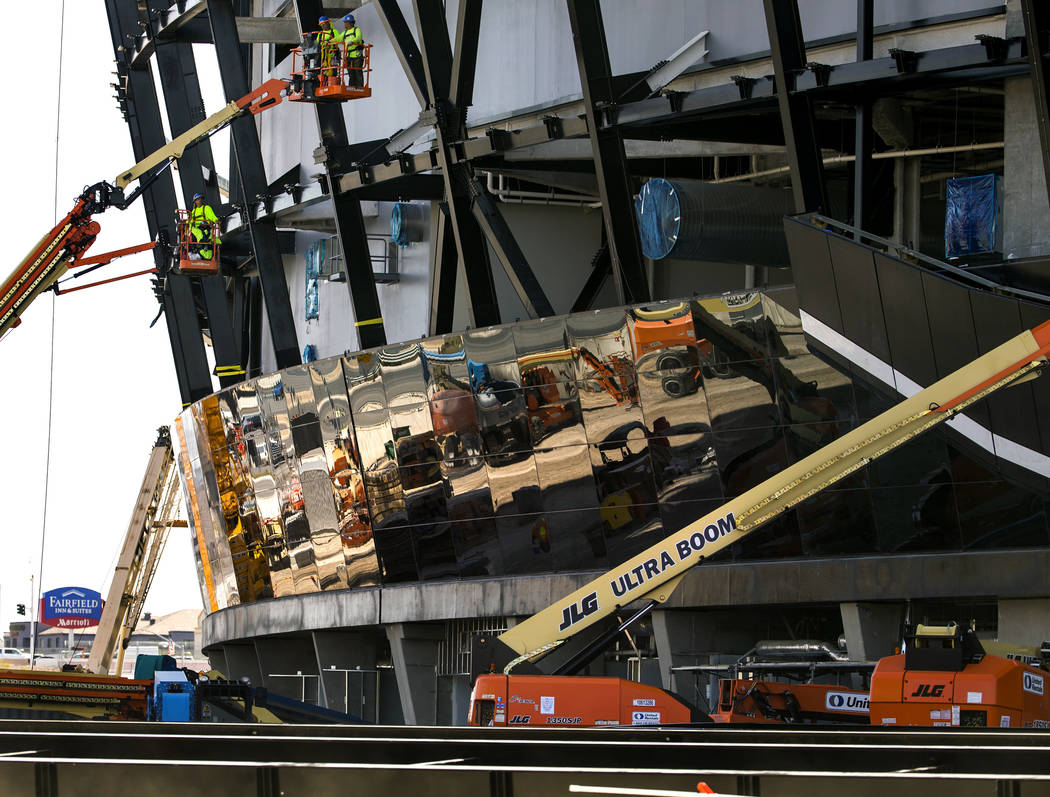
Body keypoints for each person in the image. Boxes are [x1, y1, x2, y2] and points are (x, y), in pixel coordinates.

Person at [188, 193, 219, 260]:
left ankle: (200, 255)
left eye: (200, 198)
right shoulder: (194, 211)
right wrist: (186, 223)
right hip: (196, 229)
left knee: (203, 236)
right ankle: (191, 253)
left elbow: (212, 216)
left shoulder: (207, 208)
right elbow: (190, 221)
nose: (199, 200)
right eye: (197, 199)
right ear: (195, 201)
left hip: (204, 228)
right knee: (188, 235)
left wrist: (216, 220)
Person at [317, 15, 341, 87]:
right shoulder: (320, 34)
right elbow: (317, 44)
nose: (322, 26)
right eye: (321, 25)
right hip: (324, 57)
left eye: (324, 24)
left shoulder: (334, 32)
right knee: (323, 71)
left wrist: (329, 42)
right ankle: (324, 86)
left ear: (328, 23)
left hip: (333, 55)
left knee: (333, 71)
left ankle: (332, 85)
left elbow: (339, 39)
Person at [341, 14, 364, 87]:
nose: (344, 24)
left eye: (345, 22)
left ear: (350, 23)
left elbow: (359, 38)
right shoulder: (345, 32)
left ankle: (359, 86)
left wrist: (352, 41)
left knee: (357, 70)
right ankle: (352, 86)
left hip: (356, 55)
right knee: (351, 72)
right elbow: (338, 38)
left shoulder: (357, 30)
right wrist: (329, 41)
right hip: (348, 56)